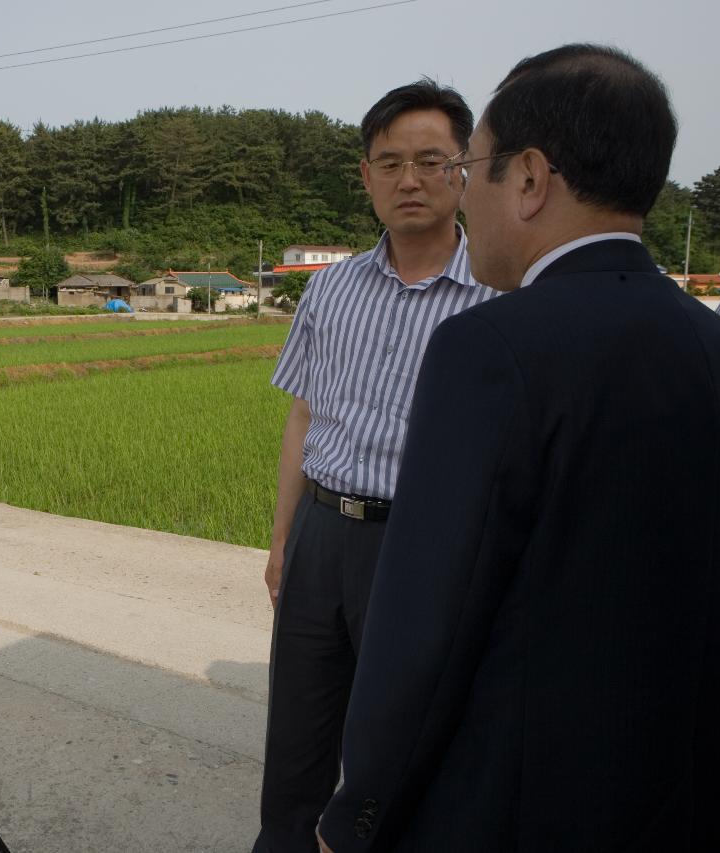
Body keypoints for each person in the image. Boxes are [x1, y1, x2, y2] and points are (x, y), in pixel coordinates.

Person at [317, 44, 720, 853]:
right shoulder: (717, 350)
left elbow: (424, 627)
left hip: (515, 808)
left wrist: (357, 810)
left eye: (471, 166)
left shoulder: (491, 348)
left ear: (533, 178)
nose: (461, 193)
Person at [254, 80, 495, 853]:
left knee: (401, 731)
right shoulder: (328, 290)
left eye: (431, 160)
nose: (409, 180)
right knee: (298, 725)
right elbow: (304, 414)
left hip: (424, 544)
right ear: (365, 177)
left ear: (465, 169)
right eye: (388, 163)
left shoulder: (499, 298)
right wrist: (283, 536)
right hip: (323, 530)